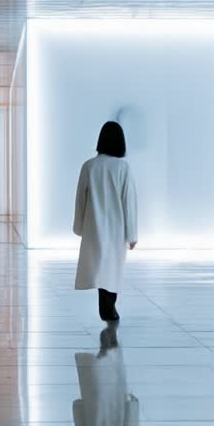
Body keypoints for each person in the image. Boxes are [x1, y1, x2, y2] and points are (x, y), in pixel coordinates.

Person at [73, 121, 138, 322]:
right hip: (116, 228)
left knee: (97, 266)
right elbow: (129, 202)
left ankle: (107, 308)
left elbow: (80, 199)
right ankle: (109, 307)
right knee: (113, 268)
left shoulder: (89, 166)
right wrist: (132, 234)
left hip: (93, 227)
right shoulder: (122, 168)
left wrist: (79, 227)